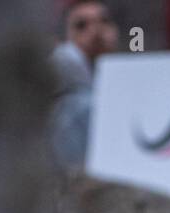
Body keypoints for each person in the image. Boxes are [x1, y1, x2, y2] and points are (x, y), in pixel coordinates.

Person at [50, 0, 119, 169]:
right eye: (81, 25)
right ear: (61, 42)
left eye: (104, 21)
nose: (96, 31)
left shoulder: (137, 82)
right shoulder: (67, 104)